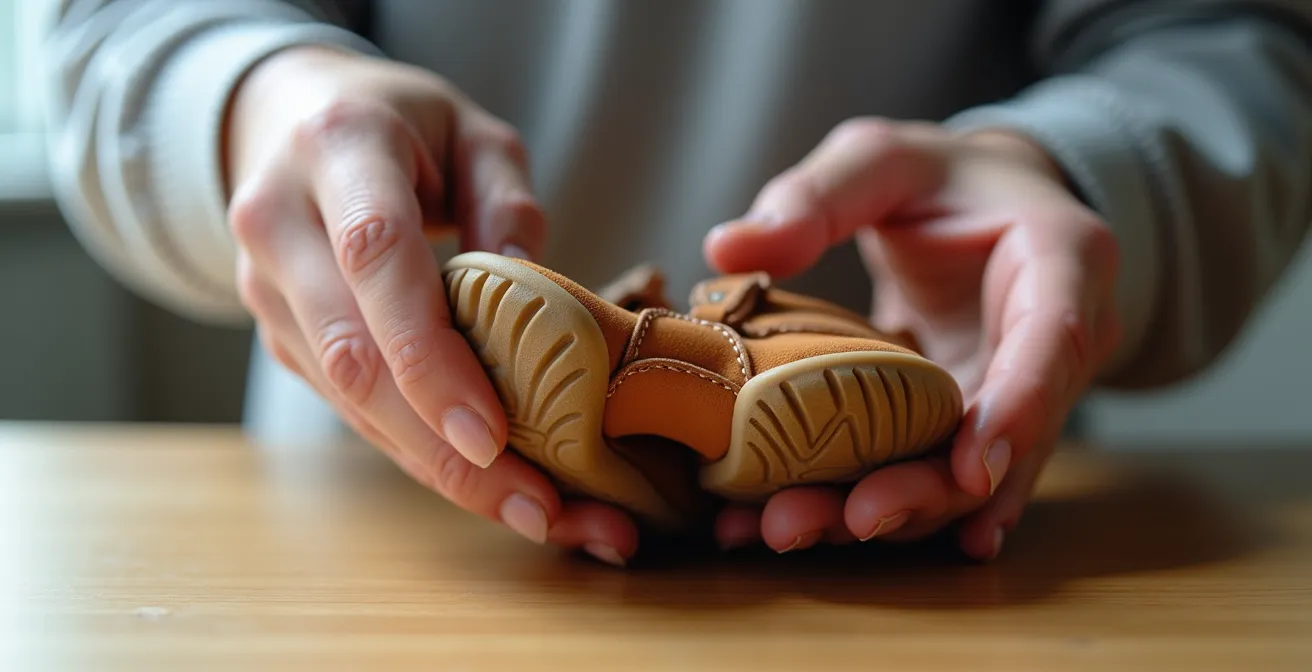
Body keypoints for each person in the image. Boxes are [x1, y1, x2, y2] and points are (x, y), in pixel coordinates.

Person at [42, 0, 1312, 567]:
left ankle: (704, 367)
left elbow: (1226, 39)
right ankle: (688, 369)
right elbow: (114, 24)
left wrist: (1074, 174)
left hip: (981, 413)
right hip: (365, 473)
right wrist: (256, 101)